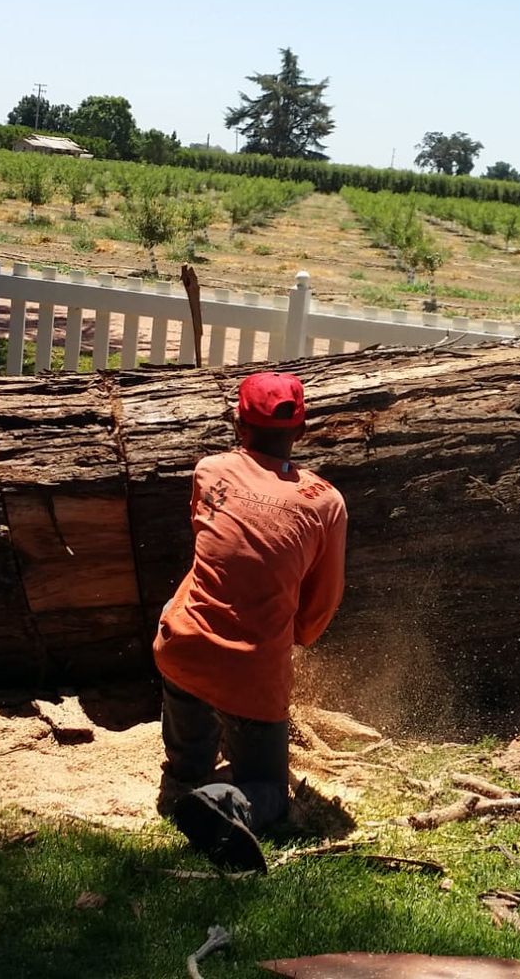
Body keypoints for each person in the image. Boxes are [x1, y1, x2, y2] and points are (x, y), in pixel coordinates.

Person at [152, 371, 348, 868]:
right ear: (300, 432)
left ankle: (187, 778)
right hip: (252, 671)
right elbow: (322, 601)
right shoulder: (325, 502)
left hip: (183, 646)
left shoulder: (210, 470)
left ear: (239, 421)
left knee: (190, 746)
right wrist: (297, 636)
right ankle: (230, 804)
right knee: (270, 790)